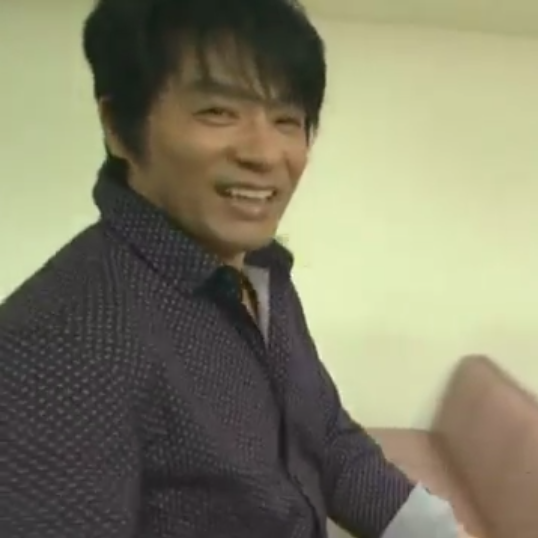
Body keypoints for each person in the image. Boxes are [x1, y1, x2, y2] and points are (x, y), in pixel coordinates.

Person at [0, 0, 476, 537]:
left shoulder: (260, 272)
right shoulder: (57, 342)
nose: (265, 153)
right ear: (118, 127)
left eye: (287, 120)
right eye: (218, 112)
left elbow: (324, 436)